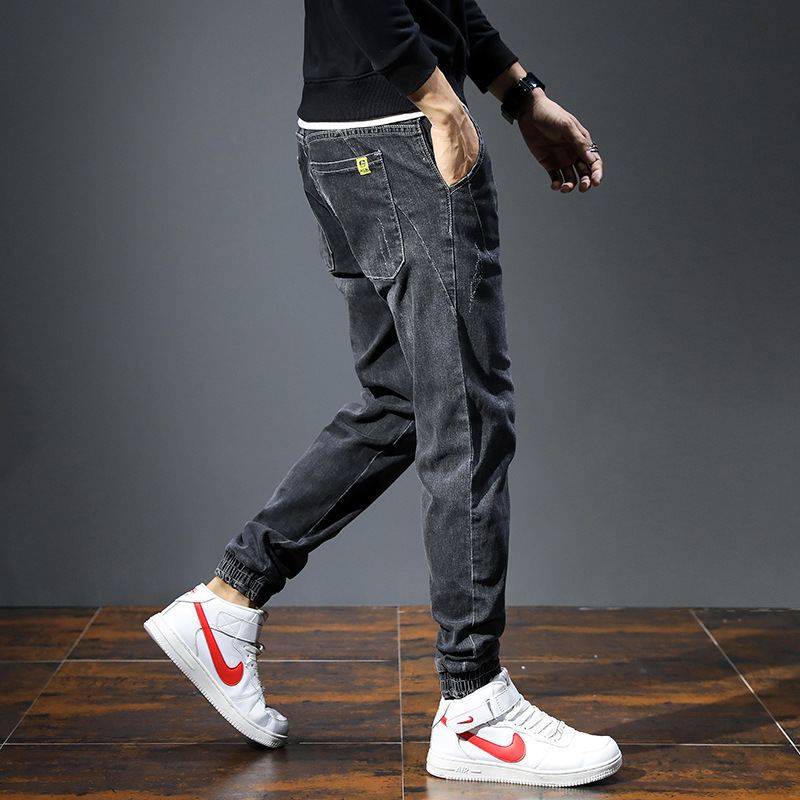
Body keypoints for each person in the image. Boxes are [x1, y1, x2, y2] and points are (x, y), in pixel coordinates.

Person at [144, 0, 621, 788]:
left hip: (341, 136)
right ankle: (474, 709)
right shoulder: (423, 108)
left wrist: (519, 93)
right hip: (400, 135)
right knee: (466, 416)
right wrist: (441, 102)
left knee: (404, 399)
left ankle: (228, 600)